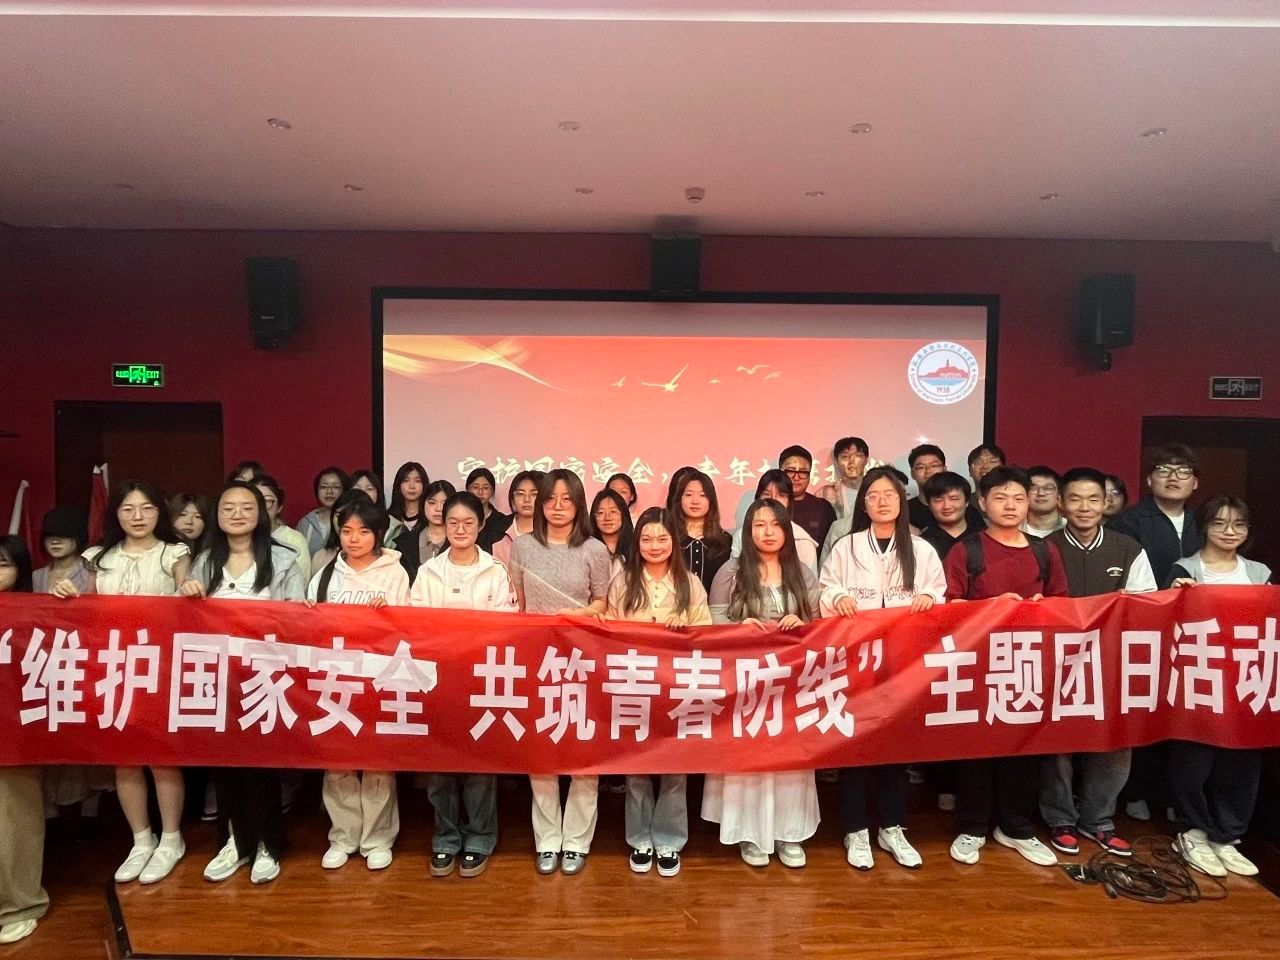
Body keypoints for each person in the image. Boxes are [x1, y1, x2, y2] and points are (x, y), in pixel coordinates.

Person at [53, 481, 192, 885]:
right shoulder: (97, 557)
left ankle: (171, 839)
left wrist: (189, 589)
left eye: (147, 508)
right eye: (128, 509)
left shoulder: (174, 553)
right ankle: (141, 839)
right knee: (125, 756)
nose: (138, 517)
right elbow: (82, 605)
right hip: (112, 666)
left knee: (162, 757)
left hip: (159, 665)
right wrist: (66, 592)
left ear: (159, 512)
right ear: (116, 514)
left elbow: (187, 596)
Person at [819, 468, 945, 871]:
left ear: (901, 501)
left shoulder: (921, 549)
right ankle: (855, 830)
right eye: (873, 495)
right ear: (864, 503)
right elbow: (826, 587)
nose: (882, 501)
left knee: (895, 749)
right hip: (857, 664)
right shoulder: (848, 546)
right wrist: (837, 597)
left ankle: (892, 827)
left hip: (903, 665)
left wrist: (929, 597)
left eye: (890, 494)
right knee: (856, 747)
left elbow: (938, 592)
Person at [178, 482, 304, 885]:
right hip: (217, 676)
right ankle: (233, 841)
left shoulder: (282, 560)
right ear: (217, 515)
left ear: (260, 514)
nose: (237, 514)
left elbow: (297, 619)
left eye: (247, 507)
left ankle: (267, 843)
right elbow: (183, 620)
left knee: (261, 766)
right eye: (228, 507)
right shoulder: (204, 562)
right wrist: (187, 593)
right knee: (225, 765)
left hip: (265, 676)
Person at [942, 466, 1067, 868]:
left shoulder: (1045, 551)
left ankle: (1016, 827)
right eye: (1000, 498)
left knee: (1024, 748)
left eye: (1018, 498)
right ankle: (972, 826)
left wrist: (1041, 608)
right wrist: (993, 608)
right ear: (982, 503)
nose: (1010, 505)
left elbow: (1062, 604)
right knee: (976, 748)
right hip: (979, 663)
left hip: (1029, 663)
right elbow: (949, 607)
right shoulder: (967, 550)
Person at [1041, 468, 1156, 858]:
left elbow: (1146, 604)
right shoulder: (1045, 547)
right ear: (1061, 503)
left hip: (1113, 661)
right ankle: (1060, 818)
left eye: (1093, 499)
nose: (1084, 507)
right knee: (1056, 742)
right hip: (1059, 660)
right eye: (1075, 499)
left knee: (1115, 740)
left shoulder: (1128, 548)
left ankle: (1099, 820)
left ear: (1106, 503)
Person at [705, 498, 821, 868]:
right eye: (759, 525)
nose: (768, 532)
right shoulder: (731, 571)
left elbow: (821, 624)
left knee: (790, 757)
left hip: (791, 683)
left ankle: (789, 832)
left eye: (775, 524)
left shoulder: (802, 572)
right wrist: (738, 627)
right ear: (747, 531)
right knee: (749, 757)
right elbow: (711, 623)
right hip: (745, 683)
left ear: (786, 530)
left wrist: (802, 624)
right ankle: (749, 833)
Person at [509, 469, 612, 876]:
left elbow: (603, 603)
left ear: (579, 505)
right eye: (550, 498)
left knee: (584, 753)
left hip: (582, 658)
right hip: (537, 658)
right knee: (542, 753)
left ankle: (577, 842)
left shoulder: (593, 549)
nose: (557, 506)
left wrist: (574, 615)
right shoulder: (522, 546)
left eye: (567, 499)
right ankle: (548, 840)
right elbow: (517, 603)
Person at [410, 491, 517, 879]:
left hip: (481, 678)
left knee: (478, 764)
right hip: (438, 680)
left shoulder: (495, 571)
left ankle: (481, 836)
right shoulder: (428, 572)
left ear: (481, 525)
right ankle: (446, 836)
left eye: (468, 523)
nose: (459, 529)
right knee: (440, 765)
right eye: (452, 522)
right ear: (443, 524)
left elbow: (505, 624)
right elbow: (416, 626)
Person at [1164, 495, 1269, 877]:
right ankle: (1192, 831)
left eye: (1238, 524)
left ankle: (1227, 835)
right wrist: (1175, 595)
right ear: (1205, 527)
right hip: (1200, 681)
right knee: (1194, 763)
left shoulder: (1260, 573)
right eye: (1219, 523)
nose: (1229, 531)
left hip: (1246, 681)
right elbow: (1164, 624)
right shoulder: (1185, 568)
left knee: (1241, 763)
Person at [606, 507, 711, 879]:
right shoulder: (623, 581)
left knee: (674, 767)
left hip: (677, 688)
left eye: (662, 538)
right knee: (636, 766)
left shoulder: (690, 584)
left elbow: (707, 635)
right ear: (637, 542)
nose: (654, 545)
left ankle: (668, 839)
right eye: (647, 538)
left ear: (674, 542)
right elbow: (610, 634)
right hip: (634, 685)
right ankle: (639, 838)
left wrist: (687, 631)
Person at [307, 497, 410, 871]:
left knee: (378, 760)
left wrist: (389, 615)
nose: (354, 539)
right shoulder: (325, 574)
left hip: (378, 678)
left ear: (378, 533)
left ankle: (378, 837)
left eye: (363, 531)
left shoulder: (395, 573)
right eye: (347, 530)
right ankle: (343, 835)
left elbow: (411, 627)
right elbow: (310, 626)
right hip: (335, 677)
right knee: (338, 760)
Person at [1108, 444, 1201, 821]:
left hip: (1194, 634)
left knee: (1183, 712)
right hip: (1144, 631)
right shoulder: (1128, 522)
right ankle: (1137, 791)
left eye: (1183, 471)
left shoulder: (1203, 522)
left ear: (1195, 482)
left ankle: (1176, 797)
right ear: (1149, 479)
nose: (1173, 477)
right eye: (1164, 469)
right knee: (1145, 709)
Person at [0, 536, 47, 946]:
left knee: (12, 820)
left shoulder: (35, 611)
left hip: (15, 732)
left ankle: (19, 905)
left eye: (2, 564)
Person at [734, 470, 819, 572]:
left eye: (781, 495)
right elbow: (733, 574)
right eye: (767, 494)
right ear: (758, 499)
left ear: (789, 501)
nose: (773, 500)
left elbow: (808, 581)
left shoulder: (803, 542)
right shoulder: (741, 535)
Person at [671, 469, 733, 593]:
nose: (695, 501)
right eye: (689, 495)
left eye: (702, 495)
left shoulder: (724, 540)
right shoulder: (669, 537)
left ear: (711, 500)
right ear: (679, 499)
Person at [780, 444, 837, 547]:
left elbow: (829, 547)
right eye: (790, 471)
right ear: (780, 472)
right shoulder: (769, 504)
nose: (796, 477)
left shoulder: (823, 508)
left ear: (810, 475)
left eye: (803, 472)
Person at [255, 475, 309, 582]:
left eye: (267, 501)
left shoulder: (294, 539)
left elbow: (301, 581)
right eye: (255, 500)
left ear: (279, 507)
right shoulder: (241, 537)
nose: (261, 506)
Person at [918, 472, 981, 562]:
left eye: (953, 499)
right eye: (938, 500)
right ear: (929, 504)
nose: (946, 506)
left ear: (967, 502)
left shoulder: (984, 537)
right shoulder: (922, 544)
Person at [311, 488, 371, 574]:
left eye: (351, 515)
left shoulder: (383, 560)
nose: (342, 521)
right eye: (338, 515)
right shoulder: (320, 557)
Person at [33, 507, 91, 594]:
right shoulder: (37, 576)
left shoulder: (92, 575)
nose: (55, 541)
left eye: (64, 534)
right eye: (49, 535)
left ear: (79, 537)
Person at [492, 470, 543, 567]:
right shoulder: (497, 532)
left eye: (534, 494)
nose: (527, 499)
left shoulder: (552, 532)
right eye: (520, 494)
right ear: (512, 500)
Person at [388, 461, 429, 579]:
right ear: (398, 485)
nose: (412, 486)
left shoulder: (429, 520)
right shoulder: (388, 519)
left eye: (418, 481)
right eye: (406, 480)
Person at [298, 466, 349, 558]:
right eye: (324, 487)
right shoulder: (305, 523)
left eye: (335, 487)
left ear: (344, 490)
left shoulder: (351, 519)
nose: (329, 491)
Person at [815, 436, 869, 520]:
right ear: (836, 460)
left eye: (857, 455)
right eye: (845, 456)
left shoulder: (876, 491)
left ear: (866, 459)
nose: (851, 461)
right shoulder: (825, 494)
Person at [465, 467, 513, 554]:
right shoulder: (460, 518)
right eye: (475, 487)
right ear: (467, 490)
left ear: (492, 491)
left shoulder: (501, 521)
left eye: (486, 488)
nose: (480, 492)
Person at [589, 488, 634, 577]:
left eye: (613, 511)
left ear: (623, 515)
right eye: (601, 512)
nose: (607, 518)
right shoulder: (587, 548)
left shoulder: (636, 548)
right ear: (594, 517)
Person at [906, 443, 947, 530]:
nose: (928, 471)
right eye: (921, 467)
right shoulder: (904, 510)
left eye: (934, 466)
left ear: (945, 470)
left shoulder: (960, 507)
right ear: (912, 474)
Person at [1021, 466, 1066, 538]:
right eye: (1033, 488)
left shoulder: (1072, 530)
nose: (1041, 493)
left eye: (1048, 488)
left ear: (1059, 495)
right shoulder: (1013, 529)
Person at [966, 443, 1006, 511]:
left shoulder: (1010, 502)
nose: (985, 466)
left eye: (992, 462)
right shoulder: (964, 503)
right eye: (979, 462)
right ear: (970, 471)